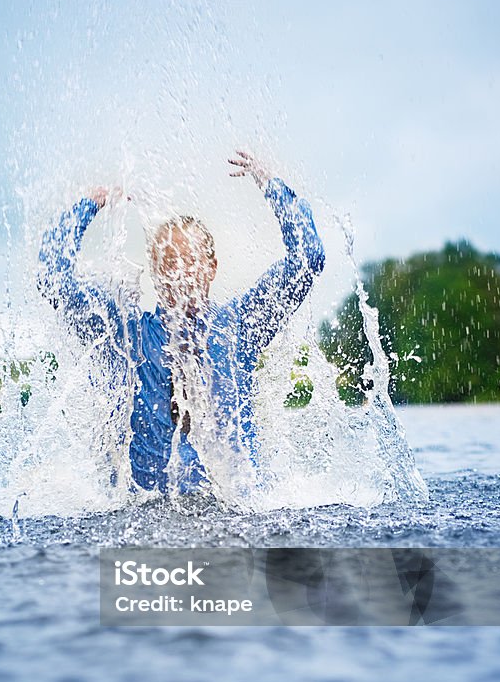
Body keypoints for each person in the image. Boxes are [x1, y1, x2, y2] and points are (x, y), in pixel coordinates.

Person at [38, 150, 325, 494]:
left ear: (212, 267)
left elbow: (309, 259)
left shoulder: (240, 328)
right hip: (144, 515)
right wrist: (88, 205)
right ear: (155, 274)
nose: (180, 273)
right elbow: (52, 279)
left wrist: (270, 184)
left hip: (235, 514)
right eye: (168, 263)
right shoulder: (126, 339)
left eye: (190, 261)